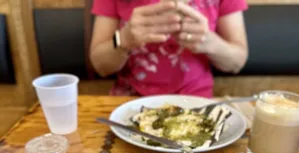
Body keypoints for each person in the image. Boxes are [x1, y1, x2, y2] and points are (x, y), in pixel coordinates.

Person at [90, 0, 248, 97]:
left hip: (196, 102)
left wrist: (209, 42)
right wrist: (124, 39)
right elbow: (100, 65)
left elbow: (237, 61)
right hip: (129, 102)